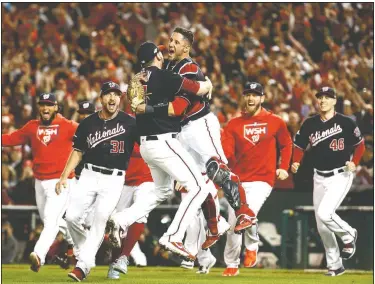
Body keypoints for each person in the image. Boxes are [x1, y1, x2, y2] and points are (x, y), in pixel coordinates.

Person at [108, 41, 214, 262]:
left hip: (147, 146)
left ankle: (121, 219)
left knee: (162, 191)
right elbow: (199, 88)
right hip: (164, 141)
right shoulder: (164, 75)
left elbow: (138, 107)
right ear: (157, 55)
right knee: (198, 188)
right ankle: (173, 236)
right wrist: (208, 83)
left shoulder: (135, 79)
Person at [55, 81, 139, 281]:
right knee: (71, 217)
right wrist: (63, 175)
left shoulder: (130, 122)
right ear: (101, 98)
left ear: (120, 98)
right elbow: (77, 151)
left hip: (114, 179)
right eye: (108, 94)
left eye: (116, 94)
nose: (113, 98)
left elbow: (147, 143)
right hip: (89, 175)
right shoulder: (88, 122)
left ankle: (83, 266)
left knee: (100, 220)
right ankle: (86, 251)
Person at [163, 27, 229, 273]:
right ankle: (203, 252)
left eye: (176, 42)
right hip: (183, 133)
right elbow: (162, 55)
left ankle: (235, 216)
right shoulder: (171, 65)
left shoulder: (188, 67)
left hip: (199, 126)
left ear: (186, 47)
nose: (170, 45)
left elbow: (180, 104)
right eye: (169, 40)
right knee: (190, 191)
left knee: (215, 175)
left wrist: (203, 85)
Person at [291, 87, 365, 277]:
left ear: (334, 101)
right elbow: (299, 145)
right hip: (319, 176)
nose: (322, 100)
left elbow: (360, 145)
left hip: (340, 175)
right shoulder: (310, 124)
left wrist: (354, 162)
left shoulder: (345, 122)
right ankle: (335, 266)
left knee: (325, 213)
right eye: (320, 97)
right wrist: (296, 162)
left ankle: (349, 235)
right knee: (322, 225)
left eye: (327, 97)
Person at [221, 82, 293, 276]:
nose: (251, 98)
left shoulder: (275, 121)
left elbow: (286, 144)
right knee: (233, 222)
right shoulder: (233, 124)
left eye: (255, 95)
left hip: (263, 178)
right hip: (237, 180)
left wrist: (283, 167)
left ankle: (251, 247)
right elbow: (226, 152)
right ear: (244, 98)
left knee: (247, 214)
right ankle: (232, 264)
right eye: (248, 94)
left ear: (262, 98)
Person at [2, 93, 78, 272]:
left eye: (49, 105)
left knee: (50, 222)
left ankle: (39, 255)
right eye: (43, 105)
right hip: (40, 182)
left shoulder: (69, 126)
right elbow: (12, 139)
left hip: (61, 181)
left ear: (56, 107)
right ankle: (74, 243)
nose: (45, 108)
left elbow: (90, 137)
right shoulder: (31, 127)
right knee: (52, 221)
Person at [54, 101, 96, 270]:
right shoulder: (77, 131)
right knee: (68, 217)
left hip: (99, 180)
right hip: (78, 180)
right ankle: (76, 254)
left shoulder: (103, 130)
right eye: (82, 113)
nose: (85, 116)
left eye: (88, 113)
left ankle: (76, 254)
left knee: (91, 222)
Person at [107, 143, 154, 279]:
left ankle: (124, 257)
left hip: (148, 178)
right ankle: (114, 261)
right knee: (118, 223)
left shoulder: (153, 124)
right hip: (123, 180)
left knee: (140, 214)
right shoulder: (121, 124)